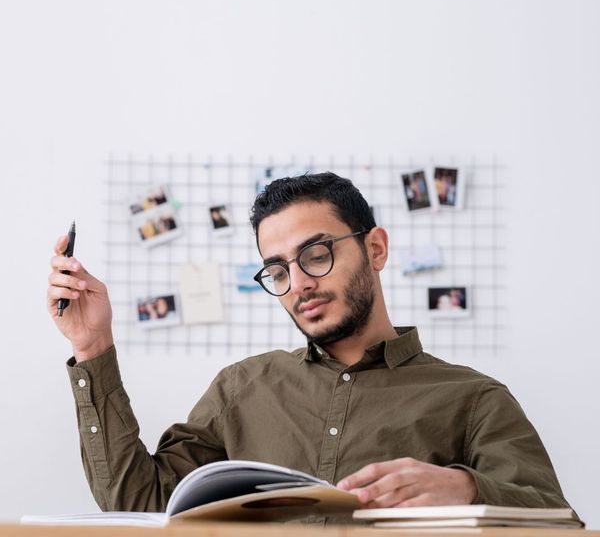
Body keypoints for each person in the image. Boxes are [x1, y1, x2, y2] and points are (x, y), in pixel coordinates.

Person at [47, 172, 574, 516]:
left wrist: (466, 490)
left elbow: (560, 522)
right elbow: (135, 503)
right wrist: (94, 348)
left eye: (316, 254)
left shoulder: (473, 399)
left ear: (376, 248)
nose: (298, 283)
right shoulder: (242, 388)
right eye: (277, 269)